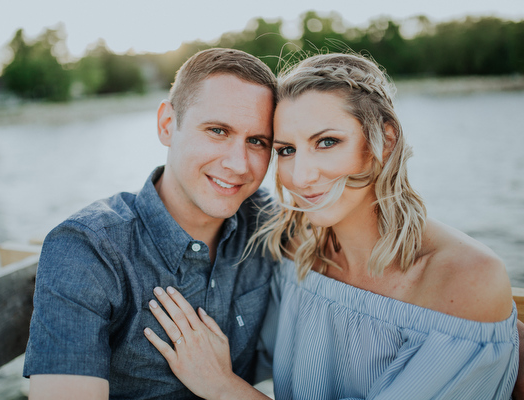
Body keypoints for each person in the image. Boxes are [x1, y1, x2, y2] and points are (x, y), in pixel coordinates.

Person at [144, 53, 521, 399]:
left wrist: (224, 387)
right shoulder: (291, 249)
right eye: (286, 150)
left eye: (327, 142)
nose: (302, 176)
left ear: (383, 142)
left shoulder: (464, 279)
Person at [22, 48, 280, 399]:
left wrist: (223, 388)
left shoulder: (267, 223)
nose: (238, 163)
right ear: (166, 125)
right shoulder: (88, 249)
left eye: (257, 141)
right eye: (218, 131)